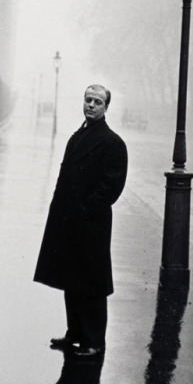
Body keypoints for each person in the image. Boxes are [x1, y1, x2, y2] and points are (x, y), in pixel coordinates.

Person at [34, 84, 128, 358]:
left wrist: (86, 210)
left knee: (92, 284)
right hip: (68, 219)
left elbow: (112, 187)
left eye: (98, 102)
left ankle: (94, 341)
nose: (91, 105)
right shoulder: (77, 137)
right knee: (71, 278)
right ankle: (74, 332)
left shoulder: (113, 143)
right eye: (88, 100)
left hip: (91, 224)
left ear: (106, 108)